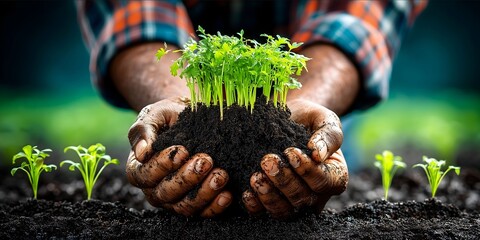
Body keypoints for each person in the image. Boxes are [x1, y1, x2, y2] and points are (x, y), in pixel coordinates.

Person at [76, 0, 427, 218]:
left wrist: (308, 103)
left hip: (305, 102)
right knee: (181, 185)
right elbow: (133, 12)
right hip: (187, 103)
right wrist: (183, 106)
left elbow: (358, 13)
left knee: (307, 169)